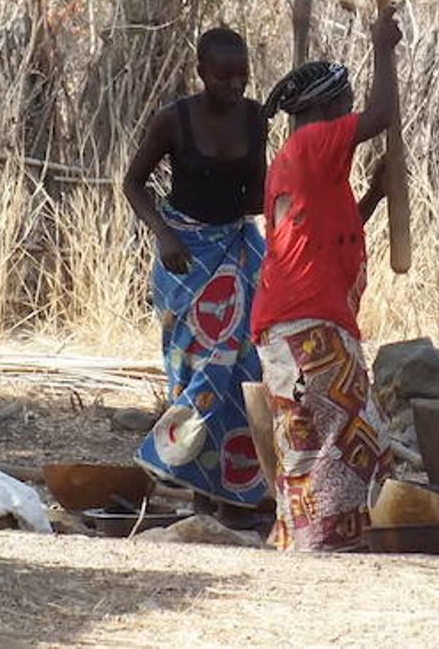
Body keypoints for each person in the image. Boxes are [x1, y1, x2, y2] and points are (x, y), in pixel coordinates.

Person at [249, 7, 402, 551]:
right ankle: (324, 540)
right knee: (344, 430)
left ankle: (303, 537)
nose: (350, 113)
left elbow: (327, 236)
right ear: (327, 109)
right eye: (345, 104)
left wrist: (378, 194)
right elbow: (382, 114)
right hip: (307, 318)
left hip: (295, 316)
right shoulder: (313, 144)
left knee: (314, 433)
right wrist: (383, 45)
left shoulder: (306, 163)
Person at [124, 27, 269, 521]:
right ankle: (197, 492)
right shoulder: (175, 119)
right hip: (185, 256)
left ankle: (233, 494)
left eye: (242, 76)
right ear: (201, 73)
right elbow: (132, 183)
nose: (235, 85)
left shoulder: (254, 117)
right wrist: (165, 236)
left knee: (244, 369)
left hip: (235, 250)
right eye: (223, 76)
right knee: (194, 372)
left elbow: (255, 196)